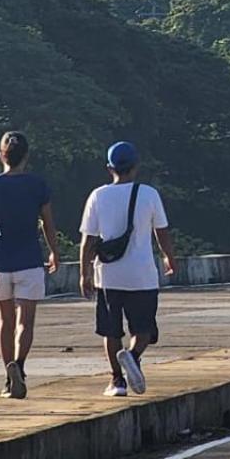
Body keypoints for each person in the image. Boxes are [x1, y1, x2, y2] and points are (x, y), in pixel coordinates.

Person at [79, 141, 175, 397]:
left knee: (110, 330)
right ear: (136, 167)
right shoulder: (149, 194)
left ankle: (117, 381)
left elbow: (88, 239)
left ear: (109, 167)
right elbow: (161, 232)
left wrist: (84, 272)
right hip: (142, 275)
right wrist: (169, 257)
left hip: (108, 275)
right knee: (143, 330)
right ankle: (132, 356)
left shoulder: (97, 195)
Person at [0, 130, 59, 399]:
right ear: (26, 157)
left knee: (4, 321)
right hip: (29, 259)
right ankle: (19, 366)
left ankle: (9, 378)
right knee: (26, 321)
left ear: (1, 156)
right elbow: (48, 223)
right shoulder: (38, 185)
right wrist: (55, 251)